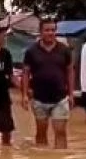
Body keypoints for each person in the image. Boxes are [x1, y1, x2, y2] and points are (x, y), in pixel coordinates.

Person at [21, 18, 74, 148]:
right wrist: (24, 95)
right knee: (41, 133)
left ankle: (60, 158)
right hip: (39, 99)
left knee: (60, 132)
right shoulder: (31, 51)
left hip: (60, 98)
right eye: (47, 30)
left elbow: (70, 72)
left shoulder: (64, 50)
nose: (50, 33)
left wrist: (71, 94)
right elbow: (26, 73)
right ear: (40, 32)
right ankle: (42, 158)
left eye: (53, 30)